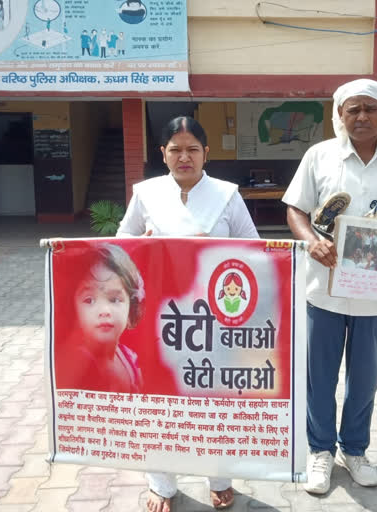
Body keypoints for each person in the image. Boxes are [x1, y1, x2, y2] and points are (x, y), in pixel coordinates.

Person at [282, 78, 377, 494]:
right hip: (324, 289)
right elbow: (295, 208)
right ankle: (320, 452)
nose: (362, 117)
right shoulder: (319, 156)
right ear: (340, 115)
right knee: (320, 377)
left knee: (364, 378)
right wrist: (312, 242)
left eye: (371, 108)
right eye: (353, 110)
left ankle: (355, 449)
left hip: (376, 289)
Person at [117, 116, 259, 511]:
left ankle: (219, 476)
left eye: (192, 149)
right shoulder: (146, 194)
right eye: (175, 149)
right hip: (160, 320)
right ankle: (161, 482)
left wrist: (214, 248)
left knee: (213, 399)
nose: (184, 157)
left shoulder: (227, 195)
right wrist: (141, 246)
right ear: (162, 154)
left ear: (206, 153)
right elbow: (121, 241)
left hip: (215, 318)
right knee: (159, 399)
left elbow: (255, 249)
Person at [54, 244, 146, 394]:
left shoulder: (128, 357)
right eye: (89, 300)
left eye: (114, 300)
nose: (104, 311)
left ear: (131, 307)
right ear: (74, 309)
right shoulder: (78, 366)